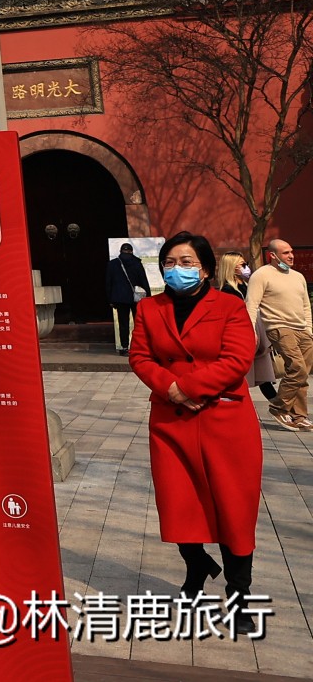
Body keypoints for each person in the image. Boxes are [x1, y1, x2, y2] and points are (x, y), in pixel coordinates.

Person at [129, 232, 262, 623]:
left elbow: (237, 359)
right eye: (169, 262)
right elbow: (139, 356)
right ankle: (195, 565)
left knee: (233, 511)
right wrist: (170, 390)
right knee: (178, 505)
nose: (177, 269)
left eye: (186, 262)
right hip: (172, 422)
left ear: (204, 267)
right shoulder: (150, 309)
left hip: (225, 420)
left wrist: (185, 387)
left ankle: (239, 593)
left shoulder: (229, 305)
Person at [246, 238, 312, 431]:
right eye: (286, 253)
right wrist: (250, 331)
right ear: (272, 256)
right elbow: (251, 304)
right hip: (279, 327)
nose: (291, 256)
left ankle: (299, 416)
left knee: (301, 374)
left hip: (302, 330)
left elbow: (306, 305)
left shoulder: (298, 276)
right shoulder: (261, 275)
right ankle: (278, 407)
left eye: (291, 252)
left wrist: (309, 329)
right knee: (298, 368)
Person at [218, 254, 280, 404]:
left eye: (245, 264)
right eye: (242, 265)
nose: (246, 268)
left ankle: (282, 408)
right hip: (244, 338)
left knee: (263, 375)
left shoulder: (246, 286)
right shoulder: (228, 291)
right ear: (232, 268)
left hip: (257, 337)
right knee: (243, 374)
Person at [107, 242, 150, 351]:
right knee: (139, 323)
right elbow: (144, 281)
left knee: (123, 323)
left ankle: (124, 346)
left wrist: (110, 299)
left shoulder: (112, 264)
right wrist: (148, 296)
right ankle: (139, 346)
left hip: (120, 298)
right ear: (131, 251)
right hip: (137, 298)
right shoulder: (137, 263)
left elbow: (108, 283)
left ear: (120, 251)